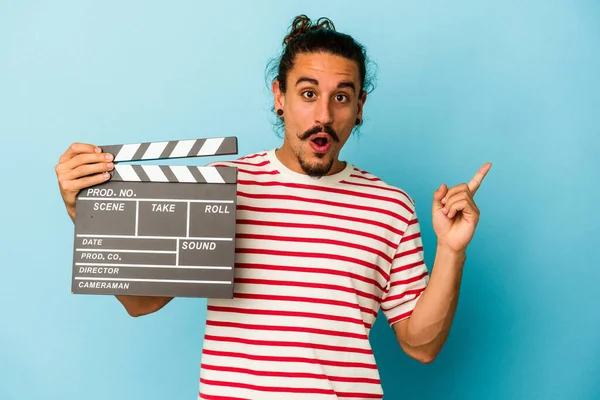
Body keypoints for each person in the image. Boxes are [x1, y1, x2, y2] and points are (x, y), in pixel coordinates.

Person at [55, 14, 491, 400]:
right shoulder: (224, 187)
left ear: (359, 108)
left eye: (341, 97)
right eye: (307, 93)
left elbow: (421, 345)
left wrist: (452, 251)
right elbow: (142, 302)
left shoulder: (390, 206)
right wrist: (88, 217)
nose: (323, 114)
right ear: (279, 96)